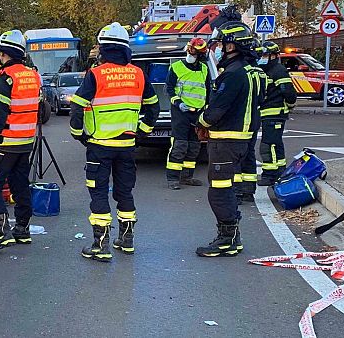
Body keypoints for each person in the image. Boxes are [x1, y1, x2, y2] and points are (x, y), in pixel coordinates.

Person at [70, 22, 160, 262]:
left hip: (99, 146)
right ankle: (127, 240)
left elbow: (78, 105)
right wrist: (141, 132)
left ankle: (100, 245)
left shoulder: (96, 74)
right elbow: (153, 107)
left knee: (99, 192)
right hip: (127, 147)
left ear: (104, 49)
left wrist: (78, 133)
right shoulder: (138, 74)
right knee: (125, 192)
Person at [195, 21, 262, 257]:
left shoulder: (232, 75)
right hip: (242, 140)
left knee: (219, 191)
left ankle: (227, 239)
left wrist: (201, 122)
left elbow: (217, 109)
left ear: (233, 45)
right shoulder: (254, 73)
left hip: (226, 141)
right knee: (228, 188)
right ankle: (232, 236)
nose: (221, 49)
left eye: (223, 44)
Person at [0, 30, 40, 252]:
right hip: (25, 143)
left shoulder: (4, 80)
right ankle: (22, 229)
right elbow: (43, 110)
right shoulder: (33, 76)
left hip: (4, 144)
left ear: (3, 54)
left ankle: (2, 232)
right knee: (20, 184)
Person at [165, 37, 209, 190]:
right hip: (181, 112)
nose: (190, 53)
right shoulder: (177, 67)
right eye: (189, 49)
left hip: (198, 114)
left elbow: (208, 90)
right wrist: (178, 103)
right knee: (179, 145)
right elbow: (169, 89)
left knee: (194, 146)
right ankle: (172, 178)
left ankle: (187, 176)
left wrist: (206, 109)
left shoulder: (204, 69)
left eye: (193, 51)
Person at [257, 42, 297, 186]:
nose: (262, 58)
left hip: (275, 113)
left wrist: (290, 105)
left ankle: (270, 175)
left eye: (266, 55)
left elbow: (288, 92)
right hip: (267, 113)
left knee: (268, 146)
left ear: (274, 56)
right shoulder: (264, 70)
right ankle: (280, 173)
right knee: (276, 144)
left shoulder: (278, 70)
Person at [235, 39, 267, 203]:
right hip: (254, 118)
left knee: (236, 155)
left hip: (241, 119)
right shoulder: (260, 72)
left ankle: (237, 191)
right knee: (249, 154)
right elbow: (262, 97)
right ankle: (248, 191)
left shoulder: (242, 71)